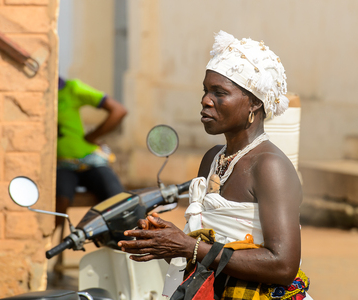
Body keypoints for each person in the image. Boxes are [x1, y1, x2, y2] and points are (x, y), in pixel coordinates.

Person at [118, 31, 311, 299]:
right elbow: (206, 252)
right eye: (206, 90)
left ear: (254, 103)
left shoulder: (269, 166)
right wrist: (167, 243)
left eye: (220, 93)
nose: (206, 100)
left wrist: (188, 246)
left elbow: (283, 265)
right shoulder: (213, 158)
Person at [56, 77, 127, 227]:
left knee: (118, 200)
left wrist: (93, 135)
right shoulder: (37, 93)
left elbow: (119, 111)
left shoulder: (70, 89)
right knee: (59, 202)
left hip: (90, 161)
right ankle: (49, 245)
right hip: (62, 165)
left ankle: (119, 241)